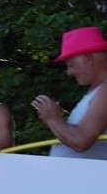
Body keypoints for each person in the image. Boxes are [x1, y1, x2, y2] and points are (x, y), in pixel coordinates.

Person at [33, 26, 107, 159]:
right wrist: (54, 121)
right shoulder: (97, 91)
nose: (69, 72)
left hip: (86, 179)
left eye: (71, 65)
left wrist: (52, 118)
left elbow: (80, 140)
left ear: (89, 59)